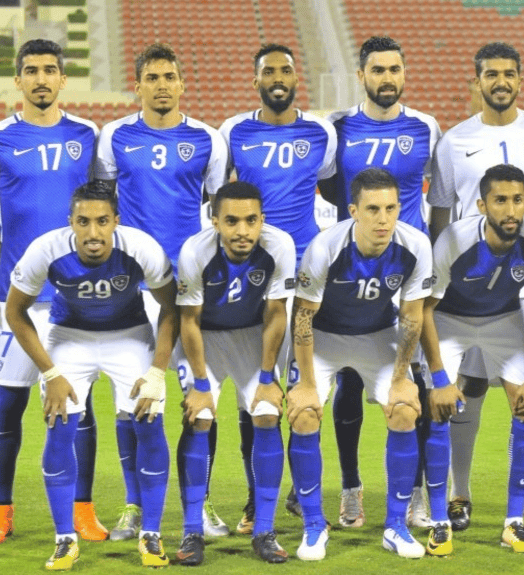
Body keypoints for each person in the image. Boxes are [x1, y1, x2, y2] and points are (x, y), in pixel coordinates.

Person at [426, 41, 524, 530]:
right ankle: (459, 493)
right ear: (477, 81)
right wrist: (438, 278)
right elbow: (441, 214)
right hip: (471, 291)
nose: (501, 82)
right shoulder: (453, 140)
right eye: (491, 74)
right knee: (467, 387)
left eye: (509, 73)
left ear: (520, 78)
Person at [0, 39, 105, 545]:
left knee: (79, 408)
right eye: (31, 70)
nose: (41, 78)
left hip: (75, 298)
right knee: (8, 404)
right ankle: (0, 511)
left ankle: (83, 509)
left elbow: (104, 212)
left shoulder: (87, 135)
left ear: (63, 79)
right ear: (18, 80)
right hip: (16, 299)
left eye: (49, 69)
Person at [94, 42, 229, 539]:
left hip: (190, 287)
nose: (162, 85)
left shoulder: (208, 140)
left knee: (201, 398)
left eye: (169, 76)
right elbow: (103, 203)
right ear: (138, 86)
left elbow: (217, 206)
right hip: (133, 289)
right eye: (152, 78)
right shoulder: (114, 136)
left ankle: (201, 502)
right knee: (133, 402)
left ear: (182, 83)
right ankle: (133, 505)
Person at [5, 183, 178, 569]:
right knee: (60, 425)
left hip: (130, 336)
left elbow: (172, 309)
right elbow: (15, 311)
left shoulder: (142, 248)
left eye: (102, 221)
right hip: (70, 338)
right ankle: (65, 539)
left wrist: (156, 371)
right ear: (71, 222)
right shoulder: (46, 250)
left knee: (149, 422)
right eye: (83, 222)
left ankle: (151, 534)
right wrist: (50, 372)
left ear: (116, 221)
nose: (93, 232)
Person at [317, 36, 442, 529]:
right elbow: (328, 190)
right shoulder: (338, 128)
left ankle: (416, 494)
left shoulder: (425, 127)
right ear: (361, 76)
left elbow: (440, 199)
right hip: (355, 272)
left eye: (394, 69)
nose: (387, 78)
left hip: (408, 272)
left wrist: (433, 261)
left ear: (404, 73)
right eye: (377, 70)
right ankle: (351, 488)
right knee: (348, 381)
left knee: (416, 386)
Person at [218, 43, 336, 532]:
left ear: (296, 77)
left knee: (308, 384)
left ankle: (302, 492)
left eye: (286, 70)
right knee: (256, 390)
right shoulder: (233, 131)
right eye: (269, 71)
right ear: (256, 81)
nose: (278, 78)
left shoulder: (321, 132)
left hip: (308, 275)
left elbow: (330, 186)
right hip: (255, 276)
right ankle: (254, 497)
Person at [421, 164, 524, 553]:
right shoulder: (455, 239)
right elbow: (424, 309)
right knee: (439, 406)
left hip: (503, 320)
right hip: (449, 320)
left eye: (517, 200)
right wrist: (440, 379)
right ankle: (440, 520)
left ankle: (513, 522)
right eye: (500, 200)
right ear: (482, 205)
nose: (510, 210)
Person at [288, 167, 433, 560]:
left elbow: (412, 316)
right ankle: (314, 526)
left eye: (390, 208)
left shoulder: (416, 245)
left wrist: (402, 377)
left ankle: (396, 526)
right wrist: (306, 383)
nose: (383, 219)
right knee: (304, 413)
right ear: (353, 211)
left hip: (377, 334)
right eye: (372, 209)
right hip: (324, 336)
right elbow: (303, 317)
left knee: (405, 408)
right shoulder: (325, 247)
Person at [174, 181, 295, 565]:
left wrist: (267, 378)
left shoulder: (280, 246)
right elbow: (188, 321)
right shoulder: (194, 251)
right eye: (231, 221)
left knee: (267, 414)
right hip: (204, 338)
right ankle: (192, 531)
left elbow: (276, 313)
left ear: (262, 220)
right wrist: (200, 384)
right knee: (200, 417)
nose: (242, 230)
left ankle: (264, 531)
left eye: (251, 220)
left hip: (251, 336)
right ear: (215, 222)